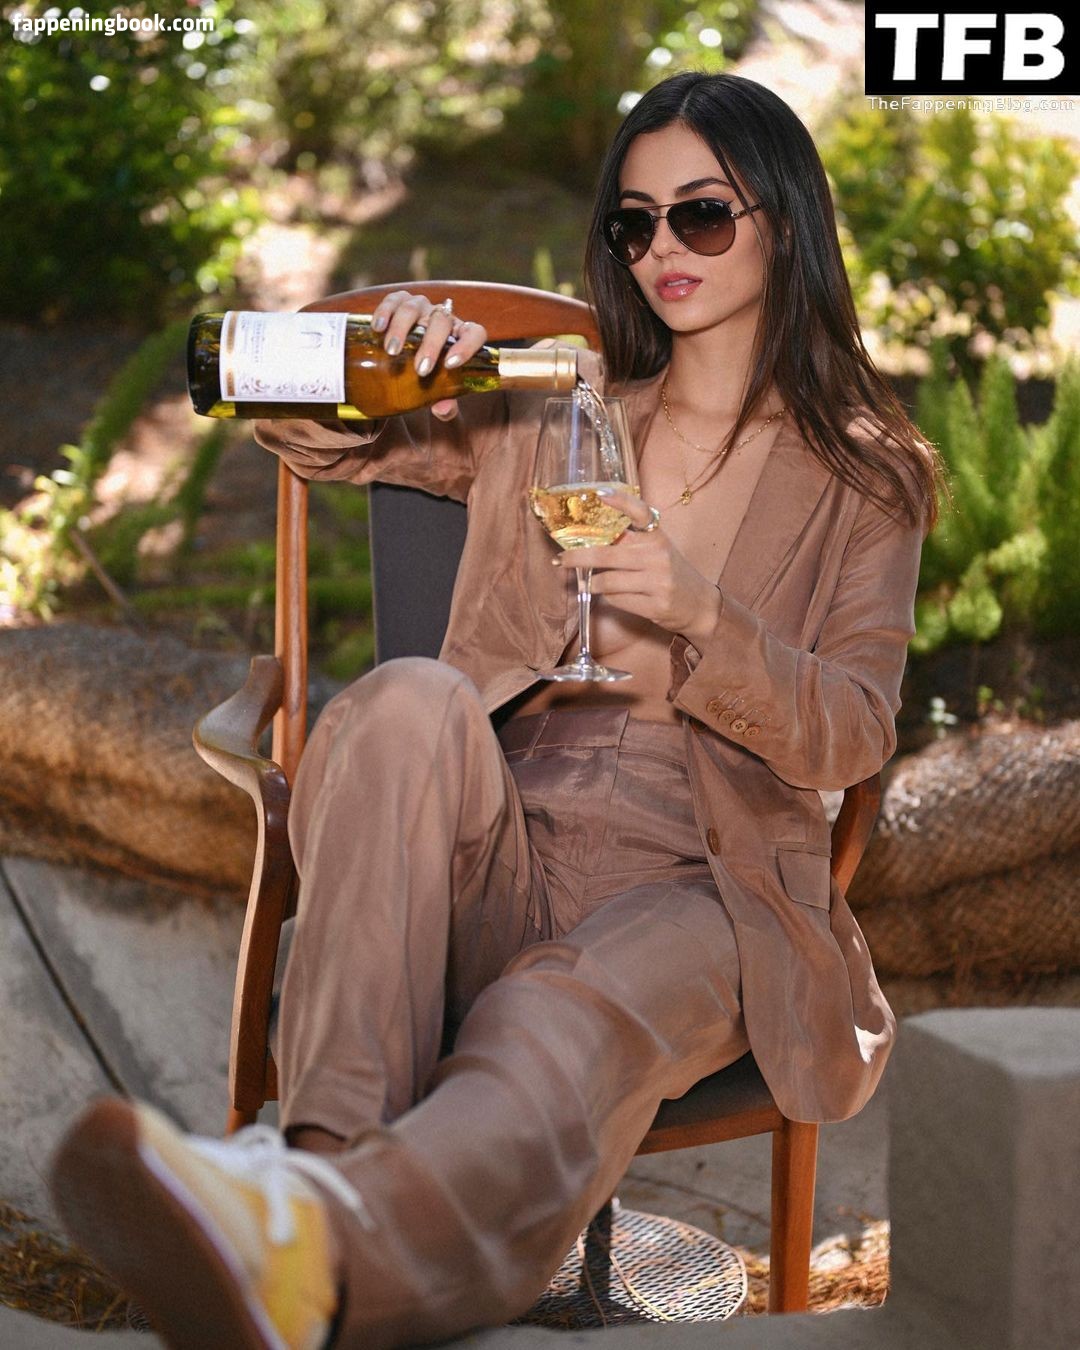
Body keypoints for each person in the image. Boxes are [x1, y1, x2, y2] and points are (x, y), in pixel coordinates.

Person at [50, 71, 943, 1350]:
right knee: (409, 699)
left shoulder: (867, 472)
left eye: (702, 214)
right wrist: (378, 358)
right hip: (497, 837)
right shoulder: (553, 401)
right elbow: (327, 444)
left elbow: (853, 731)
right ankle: (312, 1192)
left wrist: (703, 615)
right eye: (634, 223)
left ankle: (308, 1250)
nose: (663, 249)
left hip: (706, 878)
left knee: (549, 1013)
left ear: (786, 223)